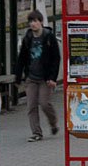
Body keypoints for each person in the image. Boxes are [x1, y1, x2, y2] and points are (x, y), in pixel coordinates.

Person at [14, 10, 60, 142]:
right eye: (30, 22)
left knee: (44, 103)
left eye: (35, 21)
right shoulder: (28, 38)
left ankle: (53, 123)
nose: (32, 24)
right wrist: (18, 77)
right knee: (31, 106)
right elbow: (21, 58)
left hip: (45, 78)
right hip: (31, 78)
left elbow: (56, 58)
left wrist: (52, 78)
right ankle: (36, 133)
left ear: (41, 22)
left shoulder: (48, 37)